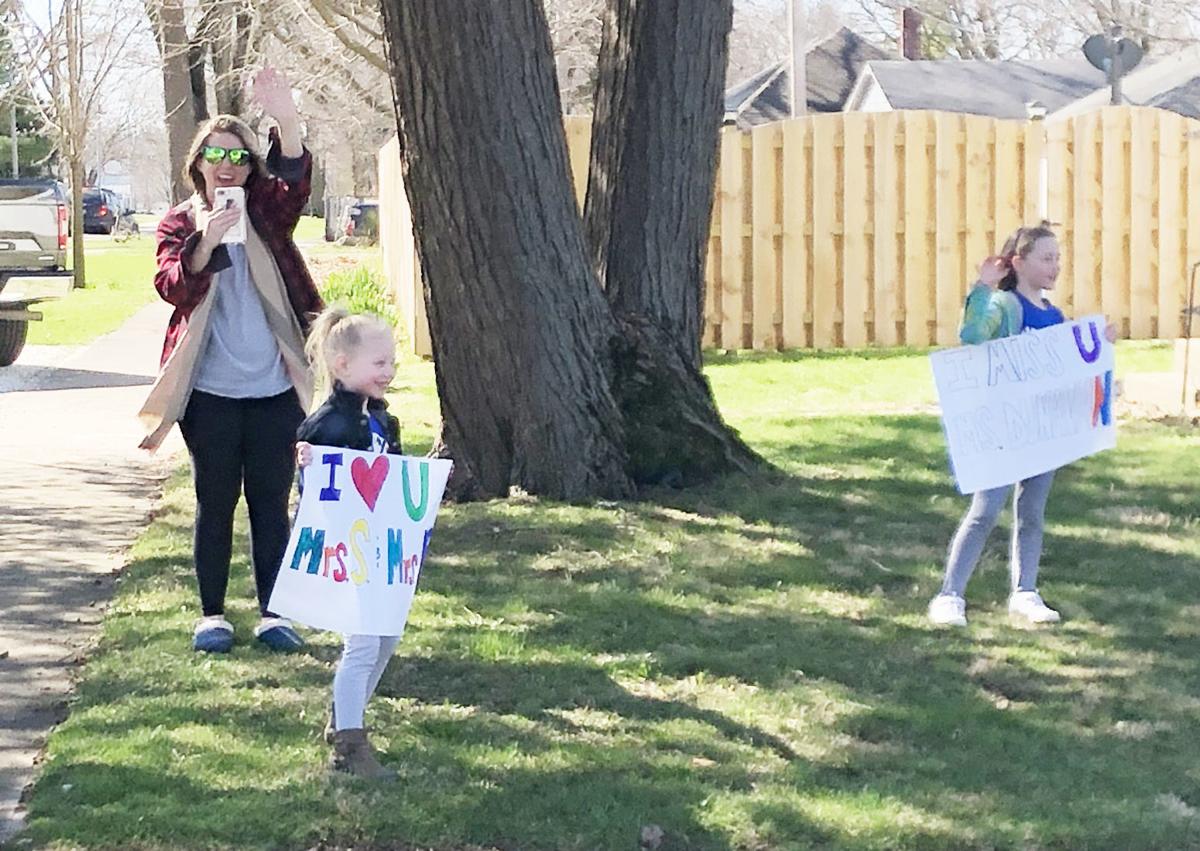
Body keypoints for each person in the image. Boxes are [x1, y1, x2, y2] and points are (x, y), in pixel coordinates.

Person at [138, 67, 324, 653]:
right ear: (198, 164)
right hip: (209, 394)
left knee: (272, 503)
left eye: (240, 157)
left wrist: (286, 121)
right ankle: (212, 615)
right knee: (214, 502)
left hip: (273, 391)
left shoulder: (268, 214)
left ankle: (275, 615)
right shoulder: (179, 222)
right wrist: (209, 239)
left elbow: (293, 184)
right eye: (216, 154)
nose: (228, 165)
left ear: (250, 167)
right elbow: (172, 285)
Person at [928, 222, 1117, 628]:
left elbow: (1066, 371)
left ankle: (1025, 591)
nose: (1055, 266)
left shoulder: (1055, 315)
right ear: (1019, 262)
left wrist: (1100, 349)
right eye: (1046, 258)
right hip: (1002, 429)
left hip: (1041, 430)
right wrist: (982, 287)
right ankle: (949, 595)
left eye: (1058, 259)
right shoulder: (1004, 306)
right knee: (985, 511)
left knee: (1032, 512)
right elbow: (973, 335)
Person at [295, 307, 403, 779]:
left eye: (392, 362)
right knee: (361, 642)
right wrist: (308, 465)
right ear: (342, 366)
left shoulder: (384, 421)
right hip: (344, 552)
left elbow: (394, 481)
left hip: (379, 549)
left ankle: (347, 713)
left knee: (387, 635)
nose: (390, 371)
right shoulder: (326, 427)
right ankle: (349, 745)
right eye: (379, 363)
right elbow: (315, 492)